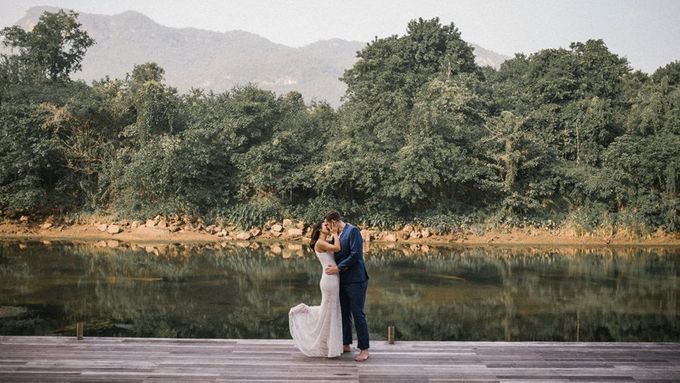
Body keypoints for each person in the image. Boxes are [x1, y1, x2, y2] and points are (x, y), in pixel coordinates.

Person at [288, 221, 343, 358]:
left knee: (330, 311)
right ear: (319, 229)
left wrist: (335, 234)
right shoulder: (319, 243)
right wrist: (335, 233)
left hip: (333, 279)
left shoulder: (325, 241)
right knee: (328, 311)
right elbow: (337, 248)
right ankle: (300, 312)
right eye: (326, 225)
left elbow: (336, 246)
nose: (328, 227)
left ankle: (327, 346)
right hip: (329, 281)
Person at [323, 210, 370, 362]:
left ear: (334, 221)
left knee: (358, 314)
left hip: (356, 280)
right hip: (342, 281)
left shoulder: (353, 231)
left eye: (329, 224)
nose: (329, 227)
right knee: (344, 313)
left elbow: (356, 255)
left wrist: (338, 268)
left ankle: (364, 349)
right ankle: (346, 343)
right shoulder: (338, 235)